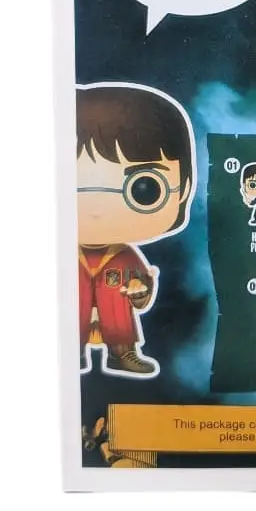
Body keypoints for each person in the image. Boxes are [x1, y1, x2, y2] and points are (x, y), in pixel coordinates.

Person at [76, 82, 195, 377]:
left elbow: (140, 297)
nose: (96, 209)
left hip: (116, 320)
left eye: (144, 188)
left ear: (183, 190)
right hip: (69, 324)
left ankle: (123, 353)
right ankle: (70, 353)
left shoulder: (124, 257)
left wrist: (140, 291)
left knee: (118, 311)